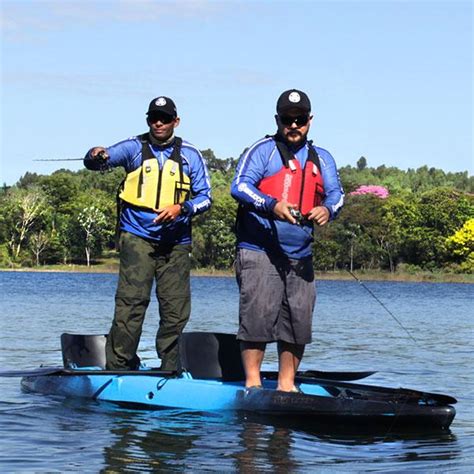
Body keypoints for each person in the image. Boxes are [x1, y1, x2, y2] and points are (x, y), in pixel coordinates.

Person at [84, 96, 212, 371]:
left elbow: (206, 198)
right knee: (131, 303)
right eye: (153, 118)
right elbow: (99, 161)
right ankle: (119, 364)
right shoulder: (133, 147)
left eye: (164, 118)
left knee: (175, 309)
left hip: (176, 242)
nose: (158, 123)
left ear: (175, 122)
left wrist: (182, 208)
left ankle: (171, 366)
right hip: (137, 236)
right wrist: (95, 154)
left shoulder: (190, 155)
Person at [230, 89, 344, 392]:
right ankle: (252, 385)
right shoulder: (262, 150)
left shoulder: (323, 157)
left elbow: (336, 194)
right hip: (259, 250)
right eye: (287, 119)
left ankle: (286, 385)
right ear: (277, 120)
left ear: (310, 120)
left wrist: (326, 209)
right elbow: (239, 186)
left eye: (300, 119)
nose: (294, 125)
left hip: (300, 256)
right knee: (257, 318)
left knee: (297, 321)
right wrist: (272, 205)